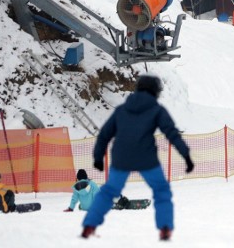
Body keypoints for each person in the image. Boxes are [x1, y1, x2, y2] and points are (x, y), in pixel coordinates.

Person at [82, 75, 193, 241]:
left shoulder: (121, 110)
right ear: (156, 92)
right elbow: (171, 133)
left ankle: (90, 225)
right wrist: (186, 155)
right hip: (146, 158)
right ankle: (164, 228)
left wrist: (98, 157)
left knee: (109, 192)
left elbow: (105, 134)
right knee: (161, 191)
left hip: (121, 158)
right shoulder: (157, 110)